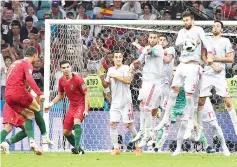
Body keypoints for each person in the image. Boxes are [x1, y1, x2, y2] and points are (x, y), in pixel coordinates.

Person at [156, 11, 213, 139]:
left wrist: (209, 54)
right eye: (184, 20)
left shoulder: (199, 30)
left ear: (193, 20)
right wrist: (190, 41)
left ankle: (190, 125)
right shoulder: (181, 32)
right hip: (182, 64)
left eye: (187, 20)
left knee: (189, 96)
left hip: (193, 65)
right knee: (173, 91)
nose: (185, 22)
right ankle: (165, 118)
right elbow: (177, 43)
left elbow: (207, 43)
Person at [5, 46, 51, 155]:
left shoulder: (15, 63)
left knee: (28, 116)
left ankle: (32, 142)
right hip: (18, 92)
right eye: (37, 57)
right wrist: (40, 94)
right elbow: (30, 79)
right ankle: (44, 136)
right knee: (37, 108)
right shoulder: (27, 63)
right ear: (34, 55)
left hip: (8, 95)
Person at [197, 20, 237, 138]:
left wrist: (215, 60)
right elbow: (203, 56)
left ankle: (236, 128)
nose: (215, 28)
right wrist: (212, 65)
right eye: (213, 26)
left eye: (217, 26)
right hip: (207, 74)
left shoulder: (226, 41)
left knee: (228, 102)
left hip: (219, 76)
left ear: (222, 29)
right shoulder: (207, 39)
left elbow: (230, 59)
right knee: (201, 101)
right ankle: (198, 128)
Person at [130, 32, 164, 155]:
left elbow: (147, 52)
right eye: (151, 37)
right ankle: (143, 131)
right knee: (142, 107)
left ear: (158, 40)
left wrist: (137, 45)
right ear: (148, 39)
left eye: (155, 38)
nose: (153, 39)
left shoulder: (159, 49)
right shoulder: (147, 50)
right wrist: (133, 65)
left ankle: (147, 134)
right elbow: (140, 60)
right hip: (146, 83)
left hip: (154, 84)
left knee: (147, 107)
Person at [44, 60, 89, 154]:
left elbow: (86, 93)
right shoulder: (61, 81)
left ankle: (76, 147)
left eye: (68, 67)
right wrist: (51, 104)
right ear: (60, 69)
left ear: (71, 67)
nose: (66, 69)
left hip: (81, 104)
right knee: (65, 132)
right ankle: (79, 149)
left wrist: (85, 109)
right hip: (72, 106)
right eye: (63, 68)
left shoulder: (78, 79)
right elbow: (60, 95)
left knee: (77, 120)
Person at [100, 51, 137, 155]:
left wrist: (115, 77)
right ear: (113, 59)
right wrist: (102, 79)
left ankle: (138, 146)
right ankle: (116, 148)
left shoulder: (126, 68)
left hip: (126, 101)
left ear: (122, 58)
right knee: (112, 124)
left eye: (120, 57)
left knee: (129, 125)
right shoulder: (110, 70)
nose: (118, 59)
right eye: (116, 57)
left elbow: (128, 81)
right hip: (115, 102)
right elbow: (106, 85)